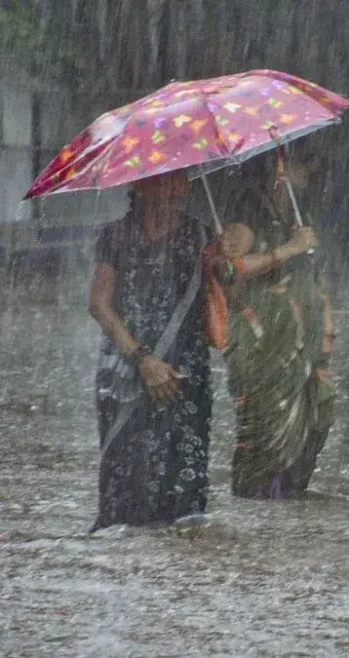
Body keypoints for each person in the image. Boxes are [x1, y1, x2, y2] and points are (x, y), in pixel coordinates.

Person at [88, 171, 213, 531]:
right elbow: (99, 304)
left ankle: (175, 575)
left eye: (182, 180)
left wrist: (229, 264)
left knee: (182, 496)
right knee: (125, 479)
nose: (176, 189)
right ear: (139, 187)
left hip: (184, 375)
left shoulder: (202, 236)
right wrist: (143, 359)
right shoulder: (116, 235)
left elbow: (226, 305)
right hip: (126, 372)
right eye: (166, 181)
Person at [211, 153, 337, 499]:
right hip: (265, 345)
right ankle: (260, 506)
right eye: (303, 160)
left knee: (319, 414)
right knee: (267, 434)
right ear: (277, 166)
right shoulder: (248, 212)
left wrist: (327, 326)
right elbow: (229, 270)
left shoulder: (300, 214)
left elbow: (314, 275)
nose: (314, 167)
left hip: (305, 344)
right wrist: (288, 249)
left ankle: (292, 504)